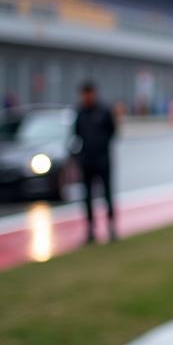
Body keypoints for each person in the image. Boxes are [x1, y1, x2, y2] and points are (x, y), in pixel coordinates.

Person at [74, 80, 117, 243]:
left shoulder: (104, 111)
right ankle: (90, 230)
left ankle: (111, 227)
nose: (87, 97)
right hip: (86, 160)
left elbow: (112, 132)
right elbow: (77, 134)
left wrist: (101, 147)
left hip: (103, 160)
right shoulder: (80, 112)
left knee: (107, 194)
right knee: (87, 197)